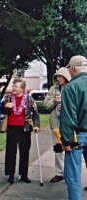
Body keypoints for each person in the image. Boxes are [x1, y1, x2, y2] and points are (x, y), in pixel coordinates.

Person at [1, 78, 40, 184]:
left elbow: (36, 114)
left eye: (15, 86)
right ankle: (10, 174)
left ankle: (24, 175)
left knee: (24, 152)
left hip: (24, 129)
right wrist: (5, 106)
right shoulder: (7, 98)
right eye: (13, 86)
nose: (13, 88)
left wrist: (36, 125)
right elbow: (0, 111)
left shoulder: (29, 99)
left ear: (22, 88)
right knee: (10, 152)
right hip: (11, 128)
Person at [60, 55, 87, 200]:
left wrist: (66, 141)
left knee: (74, 175)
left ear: (73, 68)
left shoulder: (70, 87)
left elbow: (68, 118)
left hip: (78, 136)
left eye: (69, 69)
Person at [44, 67, 71, 183]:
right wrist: (55, 101)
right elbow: (46, 106)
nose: (58, 79)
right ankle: (59, 173)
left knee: (71, 149)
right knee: (58, 149)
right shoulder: (52, 89)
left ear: (66, 76)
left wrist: (65, 106)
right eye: (57, 77)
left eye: (60, 76)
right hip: (56, 124)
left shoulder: (71, 87)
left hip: (69, 125)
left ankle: (70, 174)